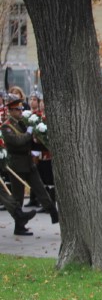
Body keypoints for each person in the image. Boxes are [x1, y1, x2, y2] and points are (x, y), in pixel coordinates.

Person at [0, 95, 59, 224]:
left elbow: (31, 143)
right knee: (18, 196)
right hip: (16, 164)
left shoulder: (22, 123)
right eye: (17, 109)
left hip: (28, 162)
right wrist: (28, 134)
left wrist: (43, 142)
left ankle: (53, 212)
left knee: (40, 189)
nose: (21, 111)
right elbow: (16, 141)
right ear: (11, 111)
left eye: (21, 109)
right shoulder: (6, 126)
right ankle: (19, 225)